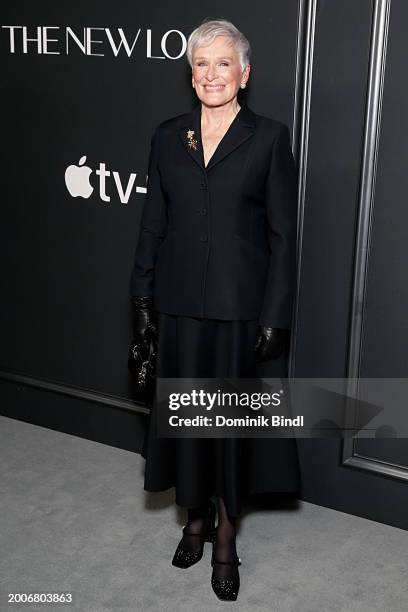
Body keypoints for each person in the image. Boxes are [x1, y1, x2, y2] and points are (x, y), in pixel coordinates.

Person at [129, 18, 301, 602]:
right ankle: (194, 522)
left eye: (223, 63)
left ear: (244, 74)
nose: (211, 74)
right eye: (201, 63)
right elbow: (153, 226)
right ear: (191, 71)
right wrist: (143, 301)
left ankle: (225, 537)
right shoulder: (167, 135)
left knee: (225, 430)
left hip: (238, 313)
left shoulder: (270, 137)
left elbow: (283, 237)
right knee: (185, 424)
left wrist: (276, 314)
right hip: (178, 308)